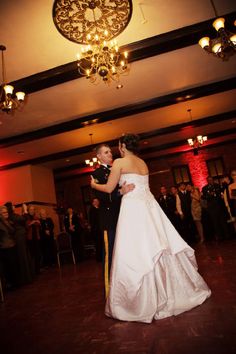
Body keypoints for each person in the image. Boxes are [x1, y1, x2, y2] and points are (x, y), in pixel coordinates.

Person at [91, 134, 211, 324]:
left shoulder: (120, 162)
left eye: (118, 146)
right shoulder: (142, 163)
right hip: (149, 207)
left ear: (122, 146)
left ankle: (141, 300)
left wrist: (93, 184)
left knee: (136, 249)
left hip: (132, 208)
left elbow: (108, 188)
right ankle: (172, 289)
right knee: (158, 244)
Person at [91, 143, 135, 297]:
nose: (110, 154)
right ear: (99, 156)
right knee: (110, 254)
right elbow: (103, 196)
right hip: (109, 219)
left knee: (125, 252)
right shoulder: (96, 174)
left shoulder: (118, 168)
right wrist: (120, 191)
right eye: (106, 152)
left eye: (110, 151)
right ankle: (110, 291)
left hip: (124, 215)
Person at [89, 198, 103, 262]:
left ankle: (102, 256)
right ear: (93, 203)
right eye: (95, 201)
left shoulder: (100, 209)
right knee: (98, 244)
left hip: (101, 229)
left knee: (102, 243)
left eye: (97, 201)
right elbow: (92, 221)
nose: (96, 202)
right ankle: (99, 258)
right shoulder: (92, 210)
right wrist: (94, 228)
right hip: (96, 230)